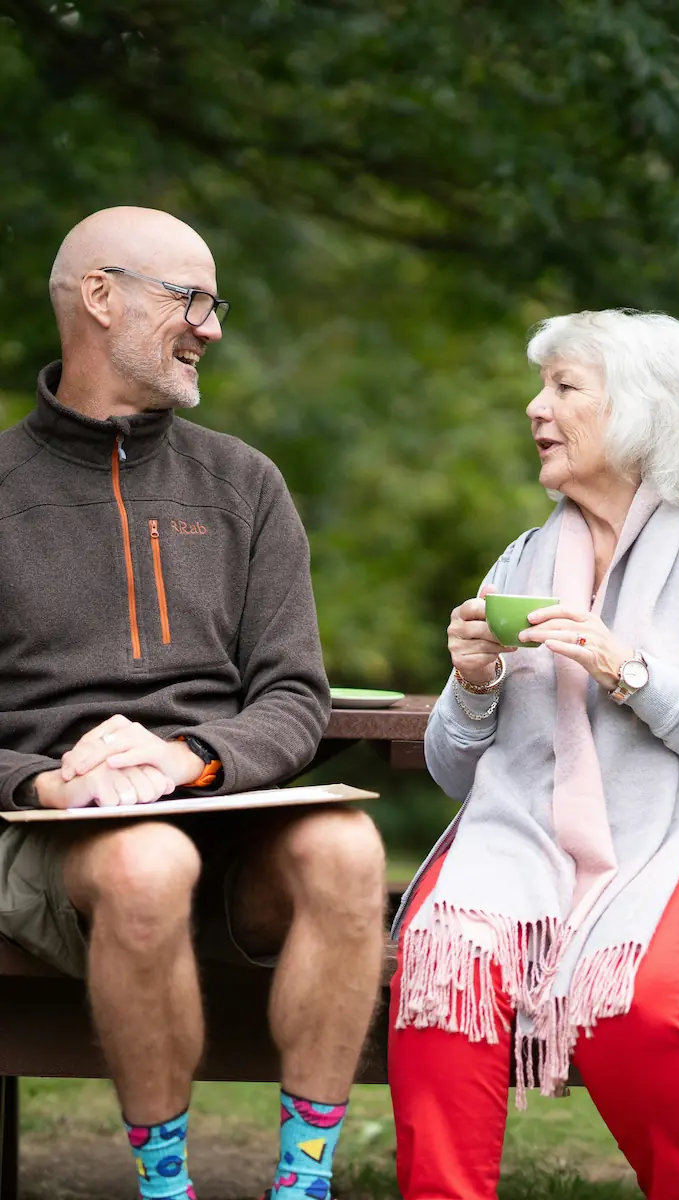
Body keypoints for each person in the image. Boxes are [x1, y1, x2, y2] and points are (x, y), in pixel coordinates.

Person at [0, 207, 386, 1200]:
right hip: (61, 835)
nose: (210, 326)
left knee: (347, 848)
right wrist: (46, 783)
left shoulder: (244, 483)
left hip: (222, 805)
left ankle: (302, 1183)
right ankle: (165, 1188)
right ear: (99, 297)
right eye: (190, 299)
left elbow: (294, 692)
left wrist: (185, 758)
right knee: (144, 858)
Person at [387, 309, 679, 1200]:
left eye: (565, 388)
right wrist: (474, 684)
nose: (536, 408)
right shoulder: (526, 559)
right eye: (542, 387)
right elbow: (457, 773)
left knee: (640, 1007)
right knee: (443, 966)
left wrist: (630, 670)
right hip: (522, 840)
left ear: (642, 413)